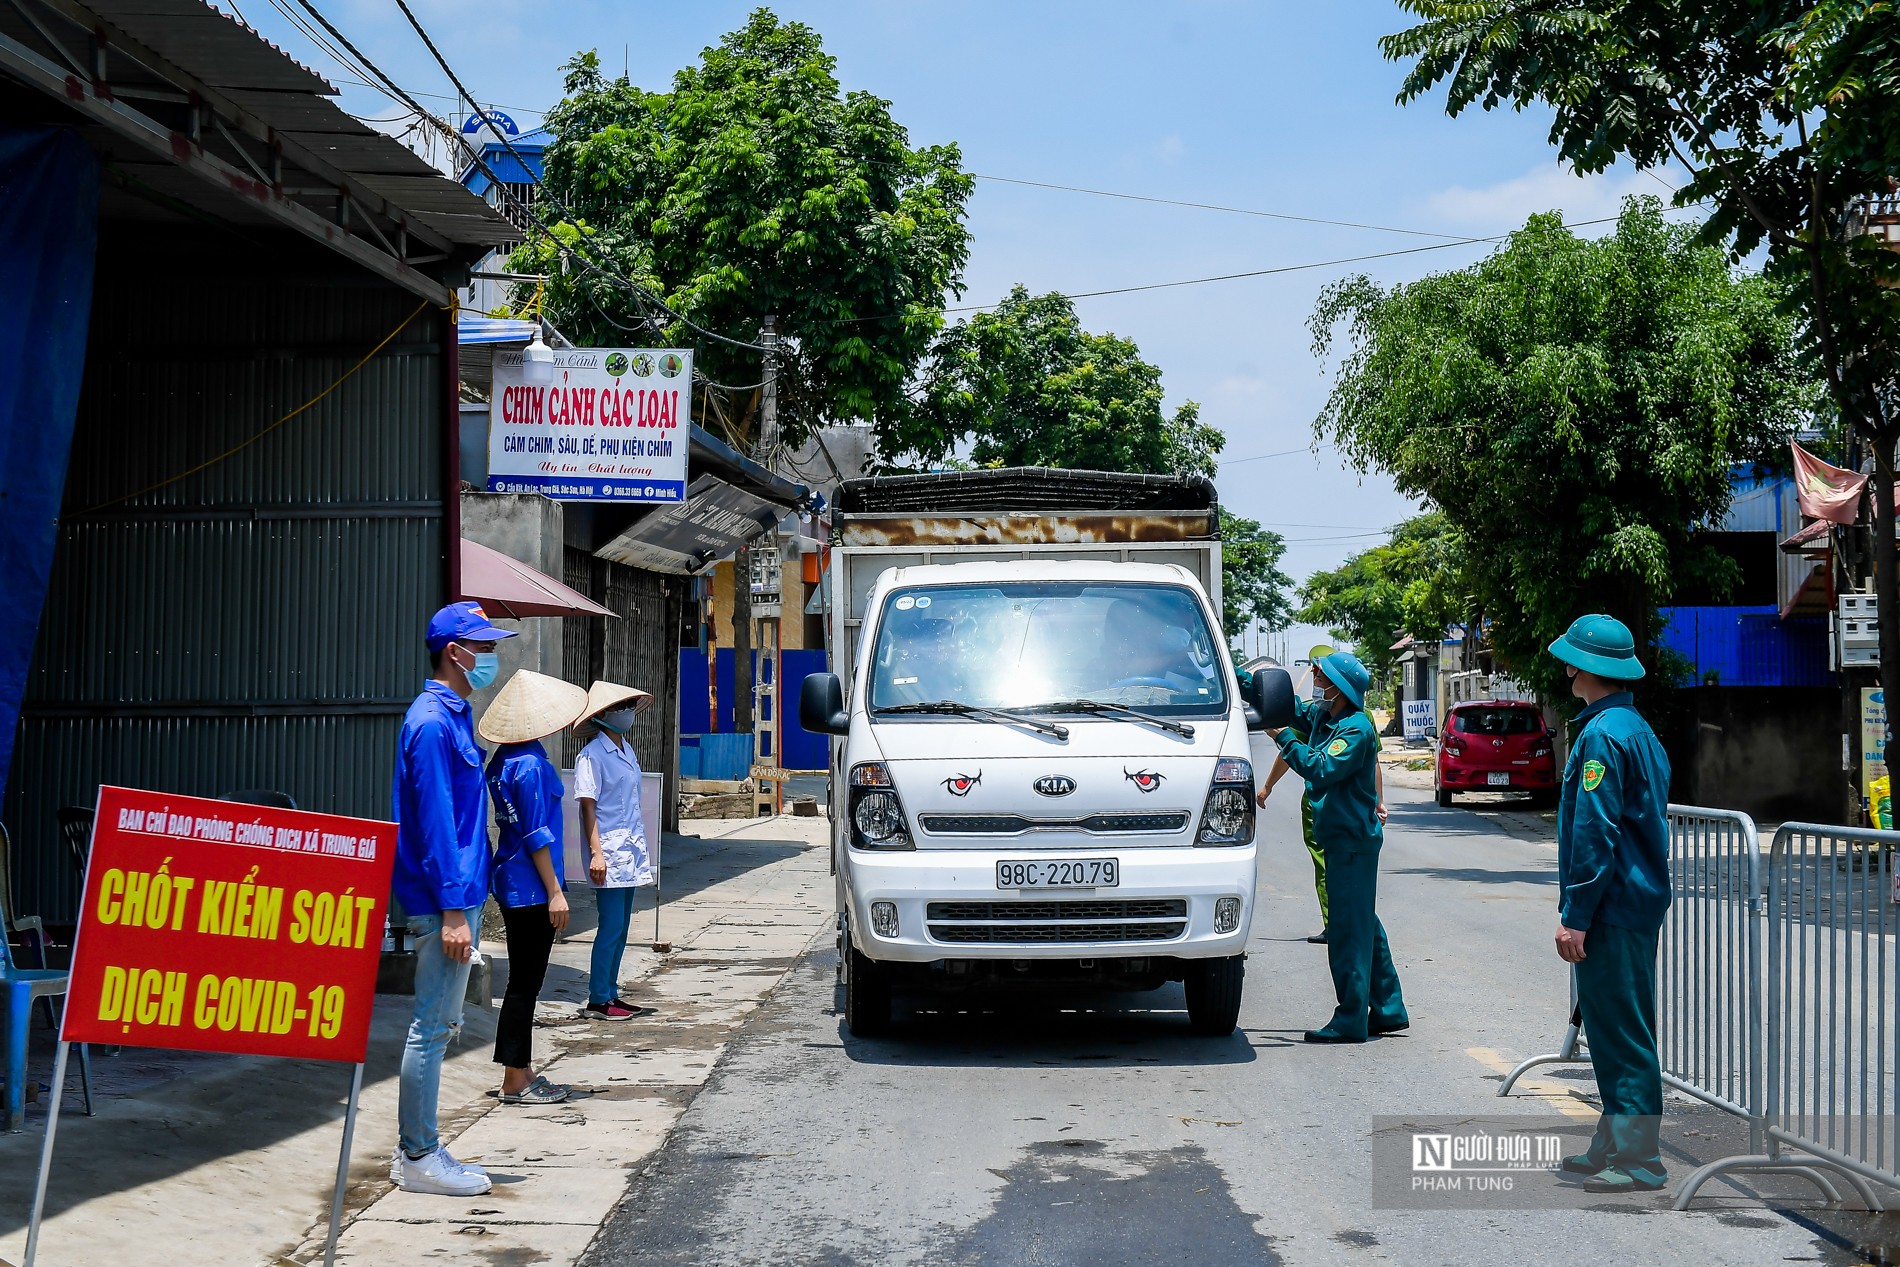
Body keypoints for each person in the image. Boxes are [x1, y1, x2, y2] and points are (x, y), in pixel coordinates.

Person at [390, 601, 515, 1196]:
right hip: (444, 896)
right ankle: (418, 1155)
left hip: (459, 891)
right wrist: (450, 912)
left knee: (440, 1023)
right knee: (431, 1027)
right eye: (483, 647)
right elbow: (437, 822)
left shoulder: (453, 715)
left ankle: (422, 1149)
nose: (490, 656)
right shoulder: (433, 722)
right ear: (453, 653)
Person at [1547, 614, 1672, 1193]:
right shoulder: (1633, 727)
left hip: (1613, 905)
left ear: (1584, 666)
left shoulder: (1601, 735)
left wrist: (1575, 915)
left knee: (1621, 1032)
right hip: (1631, 901)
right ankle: (1611, 1143)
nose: (1565, 667)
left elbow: (1596, 835)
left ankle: (1640, 1158)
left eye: (1570, 659)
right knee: (1612, 1027)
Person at [1269, 650, 1409, 1043]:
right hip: (1344, 838)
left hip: (1351, 841)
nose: (1316, 684)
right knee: (1364, 921)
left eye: (1322, 679)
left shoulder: (1355, 730)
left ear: (1341, 689)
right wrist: (1250, 686)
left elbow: (1320, 768)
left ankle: (1350, 1017)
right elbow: (1290, 708)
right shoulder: (1326, 717)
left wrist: (1284, 740)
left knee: (1347, 929)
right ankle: (1388, 1008)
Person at [478, 669, 589, 1106]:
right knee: (526, 983)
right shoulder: (533, 766)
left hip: (509, 879)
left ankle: (519, 1068)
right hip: (533, 885)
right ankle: (514, 1078)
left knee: (521, 983)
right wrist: (556, 892)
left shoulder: (503, 761)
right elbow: (538, 834)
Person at [573, 680, 657, 1020]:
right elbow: (587, 807)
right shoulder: (591, 756)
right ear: (604, 715)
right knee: (609, 926)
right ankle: (597, 998)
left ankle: (612, 992)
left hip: (631, 849)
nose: (627, 712)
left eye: (629, 706)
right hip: (608, 850)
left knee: (622, 926)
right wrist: (596, 853)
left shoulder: (626, 749)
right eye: (622, 707)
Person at [1258, 645, 1338, 944]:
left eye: (1318, 674)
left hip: (1324, 802)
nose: (1314, 679)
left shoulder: (1331, 718)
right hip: (1355, 804)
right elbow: (1375, 764)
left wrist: (1268, 786)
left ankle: (1336, 925)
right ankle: (1348, 925)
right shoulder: (1357, 716)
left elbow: (1298, 756)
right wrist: (1378, 801)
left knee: (1325, 863)